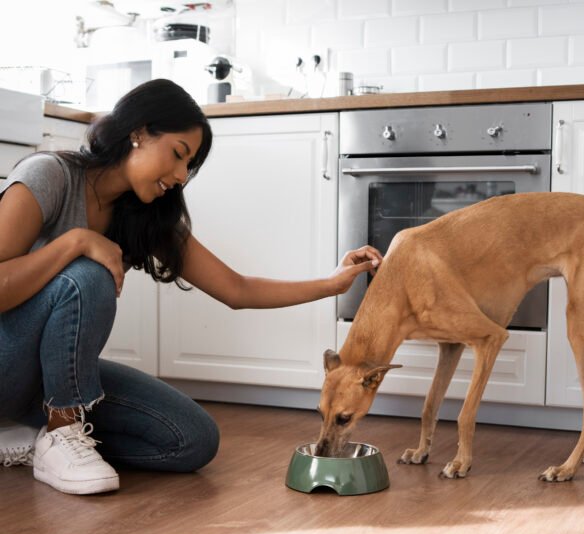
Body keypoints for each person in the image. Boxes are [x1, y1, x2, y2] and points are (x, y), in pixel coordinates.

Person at [0, 79, 382, 495]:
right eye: (178, 155)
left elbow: (236, 289)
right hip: (8, 360)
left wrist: (332, 283)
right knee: (87, 273)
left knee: (192, 440)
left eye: (190, 165)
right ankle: (62, 431)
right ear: (139, 132)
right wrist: (76, 241)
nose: (181, 176)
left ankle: (29, 434)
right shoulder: (50, 175)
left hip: (53, 378)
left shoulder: (149, 215)